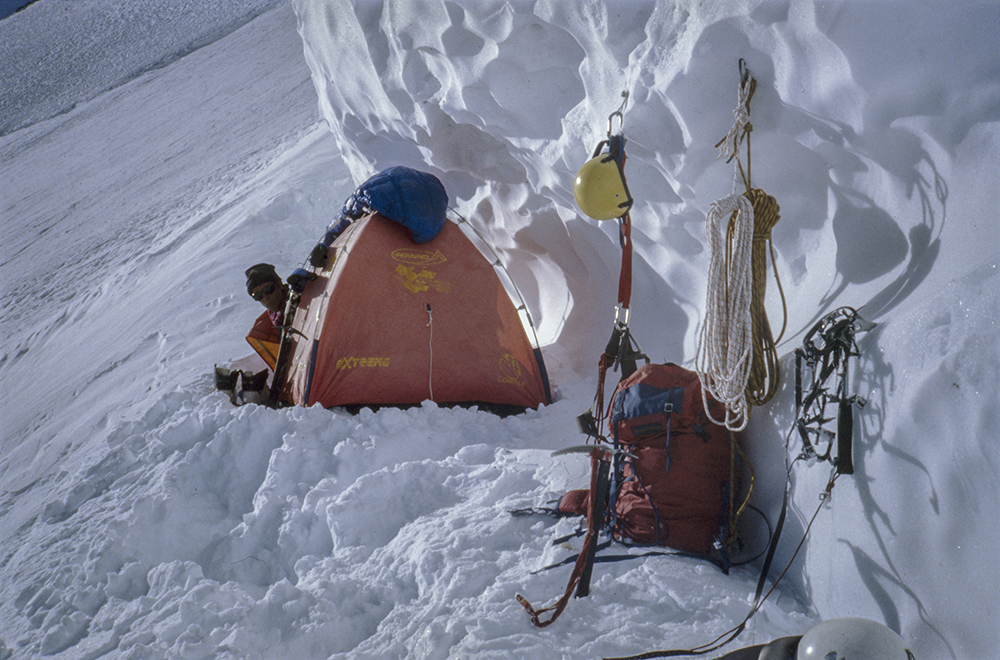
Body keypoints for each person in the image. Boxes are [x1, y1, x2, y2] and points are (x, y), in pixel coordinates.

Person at [245, 263, 289, 327]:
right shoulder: (268, 323)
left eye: (268, 289)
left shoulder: (300, 301)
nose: (265, 298)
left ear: (279, 285)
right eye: (258, 295)